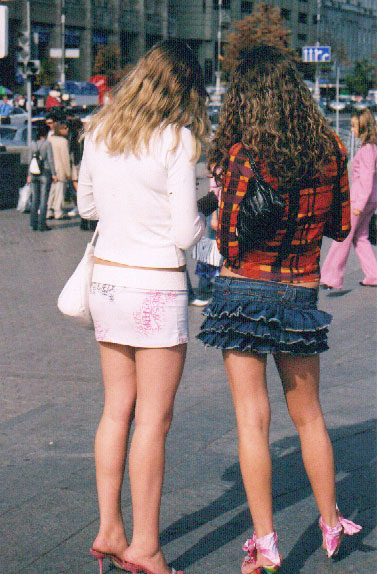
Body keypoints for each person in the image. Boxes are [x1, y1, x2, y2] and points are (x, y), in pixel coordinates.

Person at [197, 46, 361, 573]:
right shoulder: (331, 149)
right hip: (300, 290)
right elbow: (341, 225)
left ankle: (265, 543)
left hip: (244, 290)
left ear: (247, 98)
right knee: (310, 416)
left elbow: (228, 244)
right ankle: (331, 523)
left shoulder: (243, 157)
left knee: (252, 419)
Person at [77, 39, 209, 574]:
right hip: (156, 283)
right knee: (153, 420)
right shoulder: (176, 141)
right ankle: (146, 546)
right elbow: (183, 233)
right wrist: (202, 216)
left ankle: (110, 528)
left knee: (116, 411)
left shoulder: (100, 131)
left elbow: (86, 205)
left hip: (107, 281)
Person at [321, 109, 377, 289]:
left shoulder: (367, 150)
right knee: (361, 237)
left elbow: (367, 178)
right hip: (370, 200)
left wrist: (358, 205)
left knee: (343, 237)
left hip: (361, 200)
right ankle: (373, 275)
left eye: (354, 126)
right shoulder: (373, 147)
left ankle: (331, 277)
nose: (352, 130)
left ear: (364, 127)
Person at [27, 123, 57, 231]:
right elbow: (50, 160)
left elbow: (29, 161)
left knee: (35, 199)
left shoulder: (32, 144)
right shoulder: (47, 144)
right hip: (45, 173)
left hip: (33, 174)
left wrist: (28, 175)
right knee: (44, 200)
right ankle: (42, 224)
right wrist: (54, 174)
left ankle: (33, 223)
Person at [46, 120, 71, 220]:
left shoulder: (50, 140)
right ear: (60, 130)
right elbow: (65, 158)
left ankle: (47, 211)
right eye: (65, 128)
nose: (67, 130)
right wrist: (68, 173)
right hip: (60, 170)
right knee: (60, 192)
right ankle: (58, 212)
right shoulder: (63, 142)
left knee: (51, 192)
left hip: (50, 170)